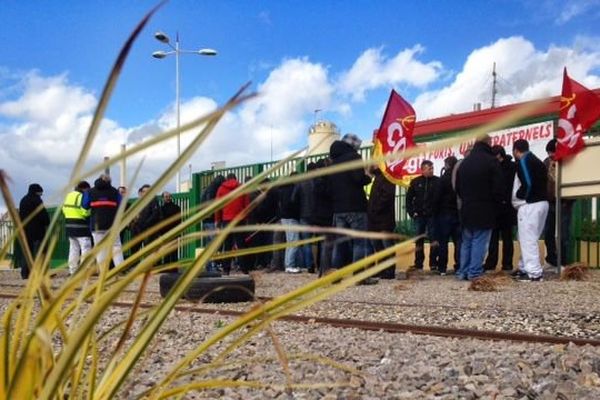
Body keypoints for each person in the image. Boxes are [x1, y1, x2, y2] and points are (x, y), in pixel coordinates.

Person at [455, 136, 503, 280]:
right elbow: (498, 187)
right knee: (479, 240)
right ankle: (474, 272)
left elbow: (458, 188)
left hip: (467, 207)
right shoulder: (491, 161)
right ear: (489, 143)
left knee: (467, 241)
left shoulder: (464, 163)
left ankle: (462, 271)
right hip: (485, 207)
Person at [326, 134, 372, 281]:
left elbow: (330, 187)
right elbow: (358, 179)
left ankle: (335, 276)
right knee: (359, 242)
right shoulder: (354, 157)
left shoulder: (333, 162)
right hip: (355, 206)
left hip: (338, 209)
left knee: (340, 243)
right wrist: (368, 176)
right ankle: (359, 276)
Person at [512, 139, 549, 281]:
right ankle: (523, 267)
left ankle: (534, 273)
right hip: (542, 203)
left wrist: (521, 195)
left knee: (527, 239)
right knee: (530, 237)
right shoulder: (538, 161)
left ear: (516, 150)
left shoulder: (524, 161)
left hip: (531, 204)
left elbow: (528, 182)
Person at [483, 146, 517, 271]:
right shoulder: (511, 166)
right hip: (501, 207)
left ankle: (502, 263)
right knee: (499, 238)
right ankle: (499, 263)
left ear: (498, 155)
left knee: (503, 237)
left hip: (504, 207)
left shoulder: (509, 167)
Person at [543, 139, 574, 268]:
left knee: (563, 234)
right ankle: (551, 258)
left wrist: (569, 200)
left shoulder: (567, 161)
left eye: (552, 152)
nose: (550, 155)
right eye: (549, 152)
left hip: (564, 202)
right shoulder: (546, 163)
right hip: (550, 202)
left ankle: (563, 261)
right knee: (548, 232)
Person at [82, 174, 124, 269]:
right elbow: (121, 204)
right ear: (109, 181)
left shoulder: (90, 192)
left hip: (97, 225)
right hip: (112, 224)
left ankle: (103, 271)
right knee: (116, 246)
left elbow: (84, 205)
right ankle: (119, 268)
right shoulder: (115, 192)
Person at [406, 160, 440, 271]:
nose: (431, 170)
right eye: (429, 168)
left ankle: (433, 263)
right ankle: (418, 264)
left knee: (434, 239)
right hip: (419, 216)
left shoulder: (437, 181)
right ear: (423, 169)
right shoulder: (415, 182)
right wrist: (412, 212)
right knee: (419, 239)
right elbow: (408, 199)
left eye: (432, 168)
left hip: (432, 215)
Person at [215, 173, 250, 275]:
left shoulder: (221, 189)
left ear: (226, 179)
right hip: (239, 220)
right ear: (236, 178)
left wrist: (217, 221)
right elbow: (247, 206)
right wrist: (246, 219)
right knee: (241, 245)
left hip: (226, 220)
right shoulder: (242, 187)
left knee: (227, 246)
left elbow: (217, 207)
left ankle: (226, 270)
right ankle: (244, 269)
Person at [432, 156, 460, 276]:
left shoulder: (442, 180)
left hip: (444, 214)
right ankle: (459, 266)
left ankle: (442, 267)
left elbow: (436, 198)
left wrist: (434, 213)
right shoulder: (459, 179)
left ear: (447, 165)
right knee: (458, 242)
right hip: (457, 214)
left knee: (443, 242)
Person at [367, 166, 397, 279]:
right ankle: (382, 269)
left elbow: (386, 196)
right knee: (378, 245)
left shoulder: (387, 177)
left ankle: (389, 270)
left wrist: (375, 209)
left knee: (386, 245)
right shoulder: (378, 178)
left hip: (384, 218)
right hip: (376, 218)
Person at [18, 183, 50, 279]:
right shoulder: (37, 200)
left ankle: (25, 273)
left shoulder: (23, 200)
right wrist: (47, 221)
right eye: (41, 193)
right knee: (40, 251)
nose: (41, 194)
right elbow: (42, 214)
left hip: (25, 229)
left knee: (27, 251)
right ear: (38, 192)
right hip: (37, 230)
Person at [62, 181, 92, 275]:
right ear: (85, 188)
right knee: (85, 248)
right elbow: (84, 212)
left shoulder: (69, 195)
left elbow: (64, 209)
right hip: (81, 225)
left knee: (73, 249)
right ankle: (84, 270)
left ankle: (72, 270)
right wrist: (91, 212)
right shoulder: (82, 196)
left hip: (69, 225)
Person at [292, 163, 318, 273]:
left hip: (304, 215)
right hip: (317, 215)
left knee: (307, 242)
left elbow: (293, 199)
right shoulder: (318, 181)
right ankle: (321, 264)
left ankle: (309, 265)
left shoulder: (301, 182)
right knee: (321, 241)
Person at [279, 172, 303, 273]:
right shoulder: (293, 188)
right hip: (292, 217)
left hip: (284, 217)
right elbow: (294, 203)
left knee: (290, 242)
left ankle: (288, 264)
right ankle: (290, 265)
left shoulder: (283, 188)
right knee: (294, 242)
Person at [200, 175, 225, 272]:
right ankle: (212, 266)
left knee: (209, 244)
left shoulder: (206, 189)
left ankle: (209, 265)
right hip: (211, 220)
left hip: (206, 220)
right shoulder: (213, 190)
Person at [160, 191, 182, 266]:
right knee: (166, 251)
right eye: (166, 197)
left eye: (169, 196)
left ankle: (174, 267)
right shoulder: (161, 209)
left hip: (174, 232)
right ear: (162, 198)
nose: (168, 198)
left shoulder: (177, 208)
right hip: (165, 233)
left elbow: (179, 220)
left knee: (174, 250)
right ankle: (166, 267)